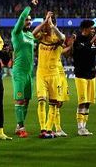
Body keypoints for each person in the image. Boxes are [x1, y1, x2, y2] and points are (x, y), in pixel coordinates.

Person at [68, 19, 96, 136]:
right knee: (82, 101)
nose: (93, 30)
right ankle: (80, 127)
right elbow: (79, 53)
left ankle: (84, 126)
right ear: (85, 29)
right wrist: (91, 43)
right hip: (80, 75)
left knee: (88, 101)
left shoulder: (92, 40)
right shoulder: (78, 40)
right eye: (92, 28)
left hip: (91, 75)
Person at [32, 11, 65, 139]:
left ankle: (49, 129)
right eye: (45, 24)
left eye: (48, 24)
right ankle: (42, 129)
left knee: (53, 103)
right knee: (41, 101)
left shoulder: (57, 38)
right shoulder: (42, 36)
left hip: (54, 75)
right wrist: (45, 22)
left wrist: (52, 26)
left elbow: (62, 38)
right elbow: (34, 33)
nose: (45, 27)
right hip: (41, 74)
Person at [10, 0, 38, 138]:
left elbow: (38, 35)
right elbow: (21, 18)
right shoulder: (17, 33)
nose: (28, 21)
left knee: (27, 100)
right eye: (26, 19)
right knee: (20, 100)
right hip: (19, 71)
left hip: (29, 73)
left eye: (30, 20)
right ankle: (21, 126)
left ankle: (19, 125)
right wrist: (30, 6)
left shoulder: (30, 35)